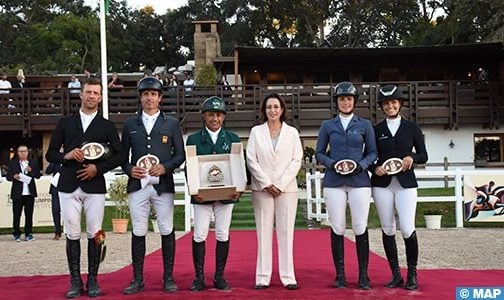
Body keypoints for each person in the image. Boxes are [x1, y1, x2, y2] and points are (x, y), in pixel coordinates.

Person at [45, 77, 126, 298]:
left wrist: (97, 169)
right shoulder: (66, 123)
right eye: (88, 92)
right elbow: (50, 153)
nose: (91, 96)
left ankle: (93, 279)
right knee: (72, 232)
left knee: (95, 232)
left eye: (96, 93)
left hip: (94, 186)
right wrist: (66, 156)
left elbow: (120, 155)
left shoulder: (107, 126)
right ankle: (74, 280)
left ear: (101, 97)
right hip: (68, 185)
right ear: (80, 94)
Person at [121, 77, 185, 295]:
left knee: (166, 228)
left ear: (160, 98)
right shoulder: (130, 124)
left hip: (162, 184)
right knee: (138, 229)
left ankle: (168, 277)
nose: (149, 98)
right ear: (140, 98)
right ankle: (137, 278)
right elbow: (122, 156)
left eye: (153, 94)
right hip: (138, 183)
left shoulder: (172, 123)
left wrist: (165, 168)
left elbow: (180, 155)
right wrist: (130, 169)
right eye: (145, 94)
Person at [315, 81, 377, 290]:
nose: (345, 102)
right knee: (338, 227)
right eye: (342, 99)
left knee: (360, 226)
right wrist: (333, 164)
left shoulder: (364, 125)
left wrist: (361, 166)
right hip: (334, 182)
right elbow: (319, 153)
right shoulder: (327, 126)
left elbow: (373, 153)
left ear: (354, 101)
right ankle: (340, 274)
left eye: (349, 99)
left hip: (359, 181)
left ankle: (363, 275)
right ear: (336, 102)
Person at [369, 84, 428, 291]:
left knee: (407, 227)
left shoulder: (412, 128)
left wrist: (412, 157)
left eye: (393, 102)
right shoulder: (375, 130)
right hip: (382, 185)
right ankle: (395, 274)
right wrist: (374, 167)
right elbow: (368, 157)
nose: (390, 106)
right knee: (387, 228)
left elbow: (424, 155)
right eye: (386, 103)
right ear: (382, 107)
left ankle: (412, 273)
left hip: (406, 184)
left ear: (400, 104)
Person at [246, 93, 303, 290]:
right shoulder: (256, 132)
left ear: (282, 109)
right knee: (263, 232)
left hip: (286, 190)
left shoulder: (292, 133)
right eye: (269, 107)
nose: (272, 110)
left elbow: (297, 160)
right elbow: (251, 159)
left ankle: (288, 276)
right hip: (262, 189)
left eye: (276, 107)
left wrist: (280, 184)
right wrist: (266, 183)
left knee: (286, 232)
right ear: (264, 110)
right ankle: (262, 276)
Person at [186, 96, 242, 291]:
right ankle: (199, 277)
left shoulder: (233, 138)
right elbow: (190, 168)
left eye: (218, 115)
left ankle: (219, 276)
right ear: (204, 116)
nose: (215, 119)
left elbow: (239, 167)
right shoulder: (193, 139)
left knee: (222, 233)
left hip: (225, 196)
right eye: (211, 114)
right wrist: (194, 192)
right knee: (200, 234)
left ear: (223, 117)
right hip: (202, 196)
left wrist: (238, 191)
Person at [6, 144, 41, 242]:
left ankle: (28, 233)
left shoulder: (33, 162)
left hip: (29, 193)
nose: (23, 153)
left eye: (25, 151)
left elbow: (38, 175)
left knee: (29, 215)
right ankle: (16, 233)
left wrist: (32, 171)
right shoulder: (13, 163)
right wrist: (14, 176)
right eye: (21, 151)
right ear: (17, 153)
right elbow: (8, 177)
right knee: (16, 214)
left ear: (28, 152)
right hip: (18, 193)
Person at [46, 162, 63, 240]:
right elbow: (48, 171)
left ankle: (71, 232)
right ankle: (58, 231)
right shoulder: (56, 160)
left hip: (69, 188)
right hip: (56, 189)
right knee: (55, 210)